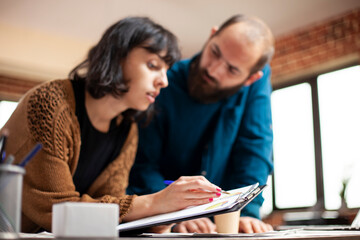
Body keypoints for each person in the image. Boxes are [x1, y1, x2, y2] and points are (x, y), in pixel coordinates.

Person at [1, 16, 223, 233]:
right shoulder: (51, 102)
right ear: (116, 56)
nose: (164, 81)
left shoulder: (127, 130)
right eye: (153, 65)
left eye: (166, 70)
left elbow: (110, 208)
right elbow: (57, 211)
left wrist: (161, 219)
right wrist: (155, 202)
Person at [128, 14, 275, 233]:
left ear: (250, 79)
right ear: (212, 35)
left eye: (232, 70)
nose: (213, 70)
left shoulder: (256, 84)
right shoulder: (164, 82)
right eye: (215, 52)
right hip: (164, 219)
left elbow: (254, 149)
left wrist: (245, 212)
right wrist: (174, 214)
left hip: (223, 218)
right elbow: (143, 164)